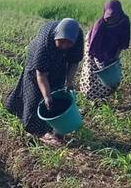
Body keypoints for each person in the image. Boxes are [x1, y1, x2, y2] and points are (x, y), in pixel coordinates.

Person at [6, 18, 84, 146]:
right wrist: (46, 96)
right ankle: (36, 131)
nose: (64, 46)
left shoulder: (77, 36)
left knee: (57, 89)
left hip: (59, 63)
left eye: (68, 43)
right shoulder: (45, 42)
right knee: (35, 94)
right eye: (61, 42)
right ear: (56, 36)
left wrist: (69, 81)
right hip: (36, 65)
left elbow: (74, 61)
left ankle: (55, 127)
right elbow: (41, 74)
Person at [79, 0, 131, 101]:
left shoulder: (124, 22)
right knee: (93, 71)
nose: (109, 20)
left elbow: (122, 42)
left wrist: (114, 59)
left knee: (112, 71)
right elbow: (94, 48)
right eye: (108, 18)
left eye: (113, 18)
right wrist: (101, 64)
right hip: (94, 46)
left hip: (113, 47)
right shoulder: (100, 25)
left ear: (119, 14)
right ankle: (91, 98)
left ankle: (106, 96)